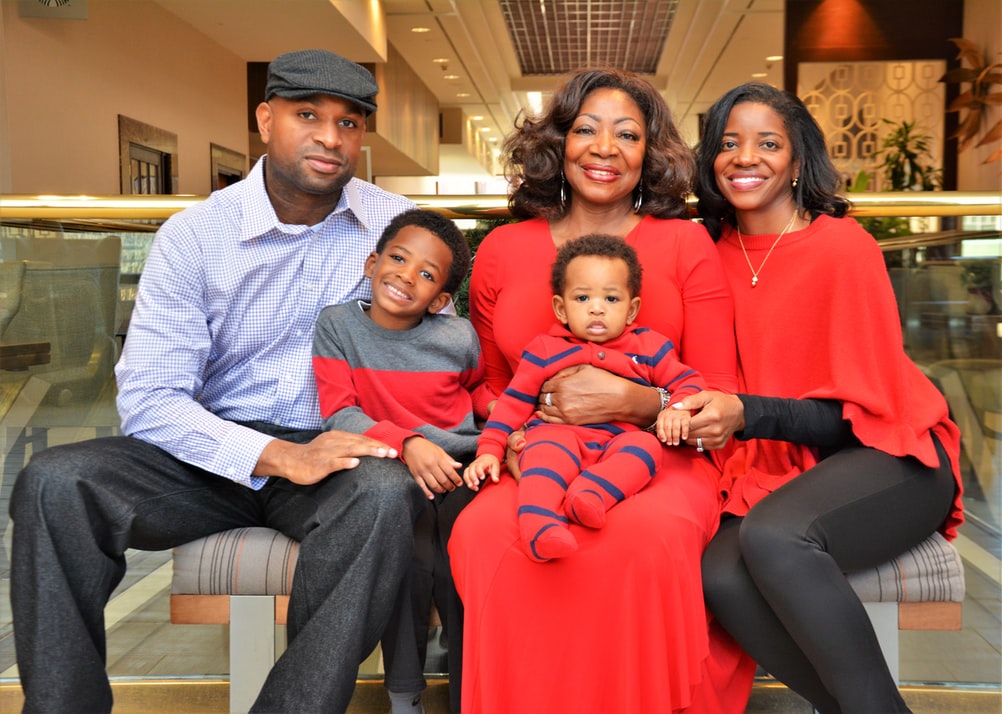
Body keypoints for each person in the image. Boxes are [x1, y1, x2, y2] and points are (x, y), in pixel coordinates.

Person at [9, 49, 426, 714]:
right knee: (55, 483)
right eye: (308, 115)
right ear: (266, 119)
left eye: (350, 123)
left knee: (385, 493)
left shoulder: (398, 228)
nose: (329, 136)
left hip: (337, 452)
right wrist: (276, 456)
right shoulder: (197, 235)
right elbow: (150, 398)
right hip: (206, 455)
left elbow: (435, 361)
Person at [446, 67, 738, 714]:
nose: (604, 148)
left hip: (660, 457)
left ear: (649, 154)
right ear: (559, 143)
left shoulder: (687, 243)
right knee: (485, 534)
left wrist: (642, 404)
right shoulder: (500, 249)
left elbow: (718, 391)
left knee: (645, 538)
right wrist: (512, 440)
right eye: (586, 129)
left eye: (627, 134)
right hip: (539, 456)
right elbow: (489, 387)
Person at [676, 82, 964, 713]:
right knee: (717, 573)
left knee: (777, 538)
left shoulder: (843, 247)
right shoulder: (704, 255)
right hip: (773, 465)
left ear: (798, 160)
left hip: (889, 451)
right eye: (729, 143)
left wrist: (749, 414)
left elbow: (859, 416)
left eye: (767, 143)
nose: (745, 157)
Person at [312, 208, 491, 713]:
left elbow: (478, 396)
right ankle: (405, 695)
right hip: (394, 467)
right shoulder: (337, 326)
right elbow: (339, 416)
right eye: (397, 258)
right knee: (407, 557)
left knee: (465, 561)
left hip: (460, 468)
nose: (406, 276)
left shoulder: (458, 338)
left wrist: (505, 422)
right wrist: (408, 443)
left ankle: (468, 694)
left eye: (427, 274)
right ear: (372, 263)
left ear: (440, 300)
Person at [464, 233, 706, 562]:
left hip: (619, 442)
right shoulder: (545, 350)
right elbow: (512, 404)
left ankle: (590, 494)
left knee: (647, 450)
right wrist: (489, 449)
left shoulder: (650, 347)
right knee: (543, 453)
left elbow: (689, 381)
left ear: (632, 309)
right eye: (581, 299)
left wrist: (678, 409)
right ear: (560, 309)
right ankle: (539, 526)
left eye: (611, 299)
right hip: (559, 434)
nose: (596, 308)